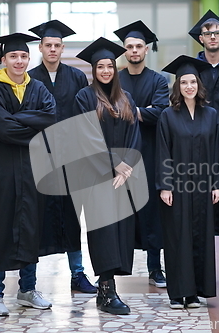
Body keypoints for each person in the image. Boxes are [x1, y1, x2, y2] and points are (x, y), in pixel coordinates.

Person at [0, 33, 56, 316]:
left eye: (24, 56)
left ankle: (27, 289)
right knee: (1, 226)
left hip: (33, 169)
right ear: (3, 60)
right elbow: (3, 130)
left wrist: (17, 120)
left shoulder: (37, 87)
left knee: (30, 226)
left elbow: (50, 118)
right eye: (13, 56)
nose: (19, 61)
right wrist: (29, 125)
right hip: (3, 169)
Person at [73, 37, 141, 315]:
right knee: (104, 233)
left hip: (124, 177)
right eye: (100, 66)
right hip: (97, 176)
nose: (105, 71)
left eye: (109, 66)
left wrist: (126, 165)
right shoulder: (84, 97)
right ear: (93, 69)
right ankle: (106, 290)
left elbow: (136, 134)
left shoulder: (126, 98)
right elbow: (85, 136)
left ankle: (108, 287)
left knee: (121, 233)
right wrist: (114, 163)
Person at [28, 20, 96, 294]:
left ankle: (77, 274)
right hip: (40, 160)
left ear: (62, 48)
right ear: (41, 48)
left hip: (71, 160)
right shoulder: (30, 78)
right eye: (48, 46)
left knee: (71, 216)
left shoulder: (77, 77)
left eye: (57, 46)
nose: (53, 49)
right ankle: (28, 278)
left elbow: (84, 118)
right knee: (35, 217)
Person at [157, 55, 219, 309]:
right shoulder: (168, 115)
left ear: (199, 84)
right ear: (178, 86)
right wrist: (165, 185)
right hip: (178, 187)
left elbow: (216, 151)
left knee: (200, 237)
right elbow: (163, 152)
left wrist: (217, 183)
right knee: (177, 238)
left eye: (193, 81)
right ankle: (177, 293)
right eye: (184, 82)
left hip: (204, 186)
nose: (189, 86)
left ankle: (194, 292)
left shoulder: (212, 115)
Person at [113, 20, 169, 288]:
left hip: (149, 154)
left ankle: (155, 268)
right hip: (120, 155)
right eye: (129, 47)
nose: (134, 50)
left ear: (146, 49)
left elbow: (160, 112)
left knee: (151, 213)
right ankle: (118, 266)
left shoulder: (158, 80)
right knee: (122, 211)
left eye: (138, 46)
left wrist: (128, 112)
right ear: (124, 51)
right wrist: (141, 111)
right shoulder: (115, 79)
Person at [188, 9, 219, 281]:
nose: (212, 37)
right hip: (199, 151)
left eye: (217, 32)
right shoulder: (191, 70)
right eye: (207, 33)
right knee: (201, 211)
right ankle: (200, 270)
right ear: (201, 38)